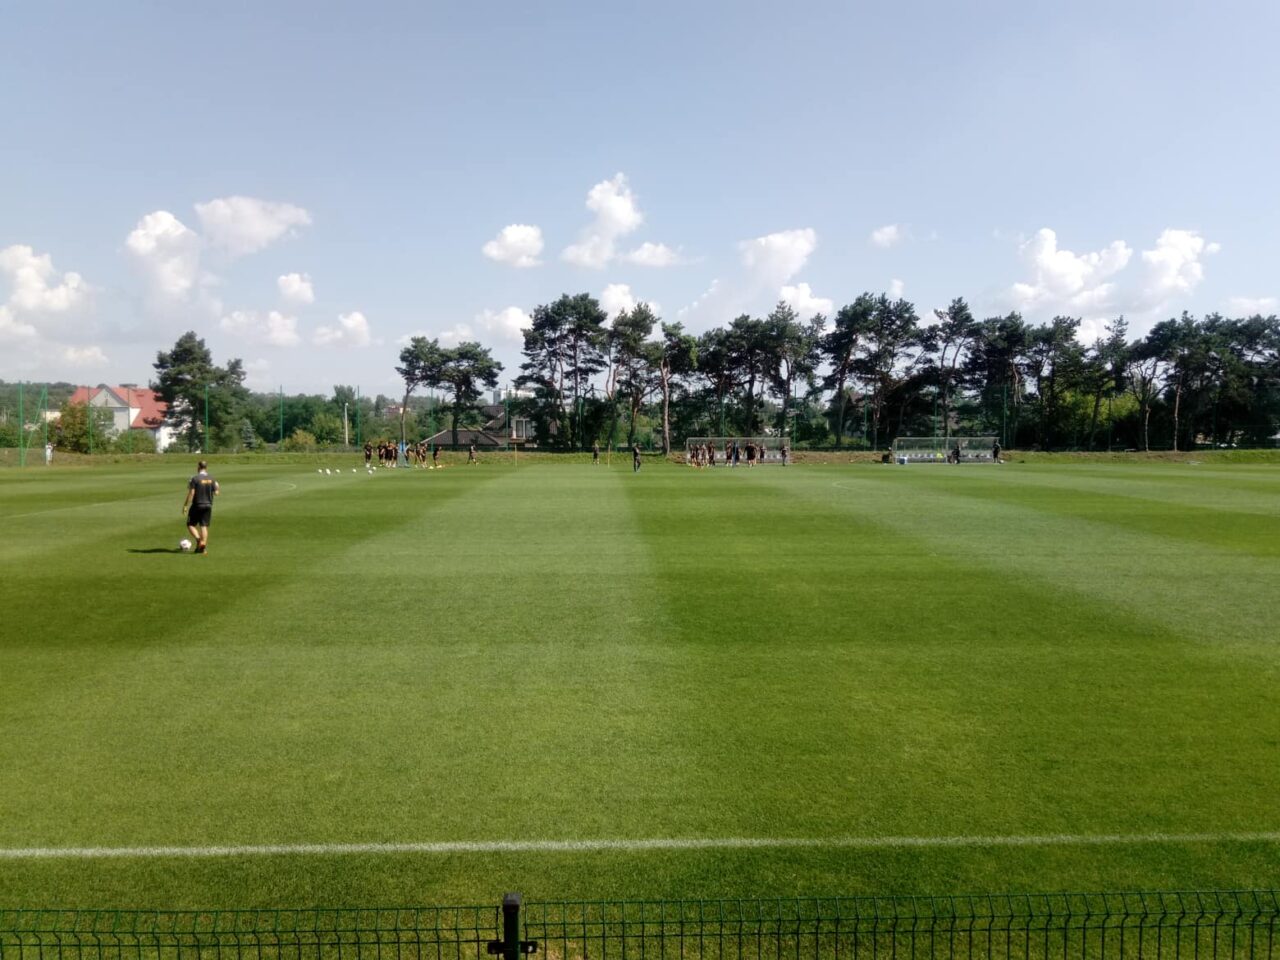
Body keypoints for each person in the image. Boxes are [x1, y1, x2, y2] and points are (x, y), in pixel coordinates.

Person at [182, 460, 219, 555]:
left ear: (198, 467)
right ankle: (203, 547)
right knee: (204, 526)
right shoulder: (212, 478)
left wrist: (185, 505)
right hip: (208, 505)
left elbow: (192, 493)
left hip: (197, 505)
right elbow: (216, 493)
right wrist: (217, 487)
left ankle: (199, 540)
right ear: (206, 467)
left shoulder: (194, 478)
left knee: (190, 524)